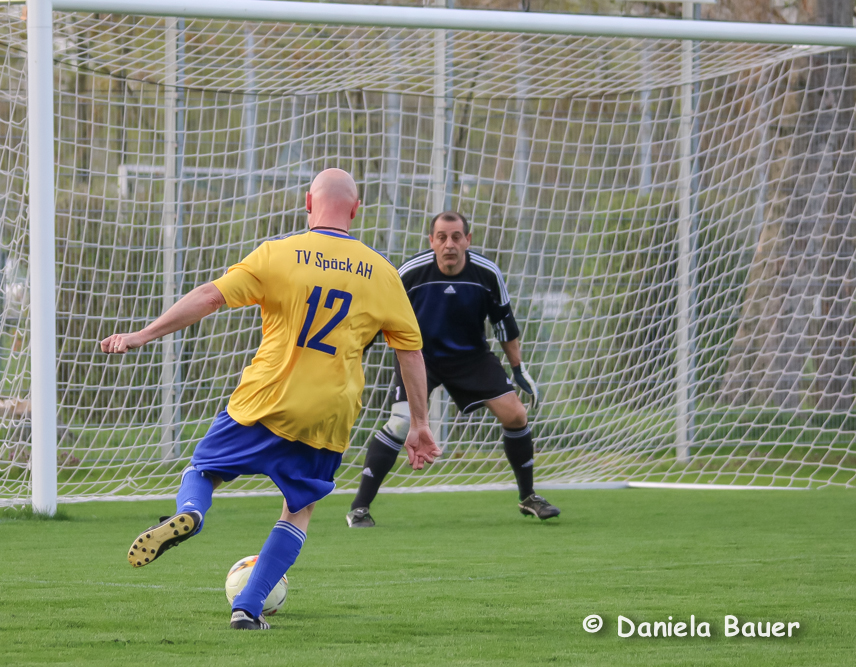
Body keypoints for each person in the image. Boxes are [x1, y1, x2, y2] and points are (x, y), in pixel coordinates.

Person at [100, 168, 441, 630]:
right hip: (329, 414)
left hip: (265, 397)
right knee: (298, 510)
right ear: (356, 210)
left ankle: (191, 513)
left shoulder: (279, 254)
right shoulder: (381, 271)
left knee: (204, 470)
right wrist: (419, 422)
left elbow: (209, 297)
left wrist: (144, 334)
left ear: (307, 203)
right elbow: (411, 351)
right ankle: (248, 608)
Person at [347, 211, 560, 528]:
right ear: (431, 241)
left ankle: (529, 497)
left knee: (516, 414)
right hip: (419, 357)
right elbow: (376, 319)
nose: (450, 244)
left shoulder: (486, 274)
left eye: (457, 237)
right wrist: (352, 359)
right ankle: (359, 508)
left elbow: (504, 325)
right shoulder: (410, 273)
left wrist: (518, 370)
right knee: (402, 421)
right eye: (442, 237)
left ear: (468, 240)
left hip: (471, 357)